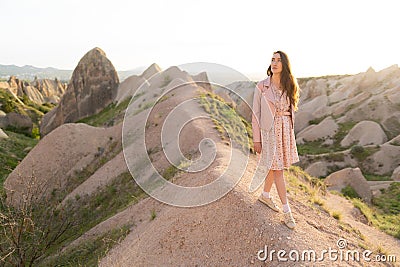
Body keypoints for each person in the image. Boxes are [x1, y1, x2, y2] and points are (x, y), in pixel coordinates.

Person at [251, 51, 300, 229]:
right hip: (269, 131)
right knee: (278, 170)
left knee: (275, 166)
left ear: (284, 64)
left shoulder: (290, 85)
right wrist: (257, 139)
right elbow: (255, 115)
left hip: (285, 130)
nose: (275, 63)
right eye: (273, 59)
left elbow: (291, 110)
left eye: (279, 60)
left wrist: (289, 130)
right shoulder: (262, 86)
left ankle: (265, 195)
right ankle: (288, 212)